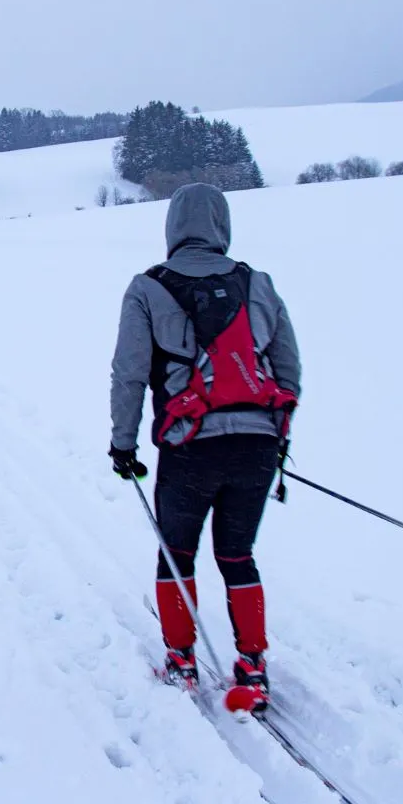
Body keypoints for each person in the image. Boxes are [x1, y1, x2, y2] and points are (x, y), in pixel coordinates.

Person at [108, 183, 300, 709]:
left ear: (171, 226)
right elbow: (289, 370)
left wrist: (123, 444)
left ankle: (182, 661)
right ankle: (253, 666)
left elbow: (129, 374)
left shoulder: (147, 288)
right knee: (238, 554)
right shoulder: (258, 283)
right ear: (222, 224)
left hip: (189, 448)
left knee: (178, 553)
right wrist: (276, 435)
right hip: (257, 446)